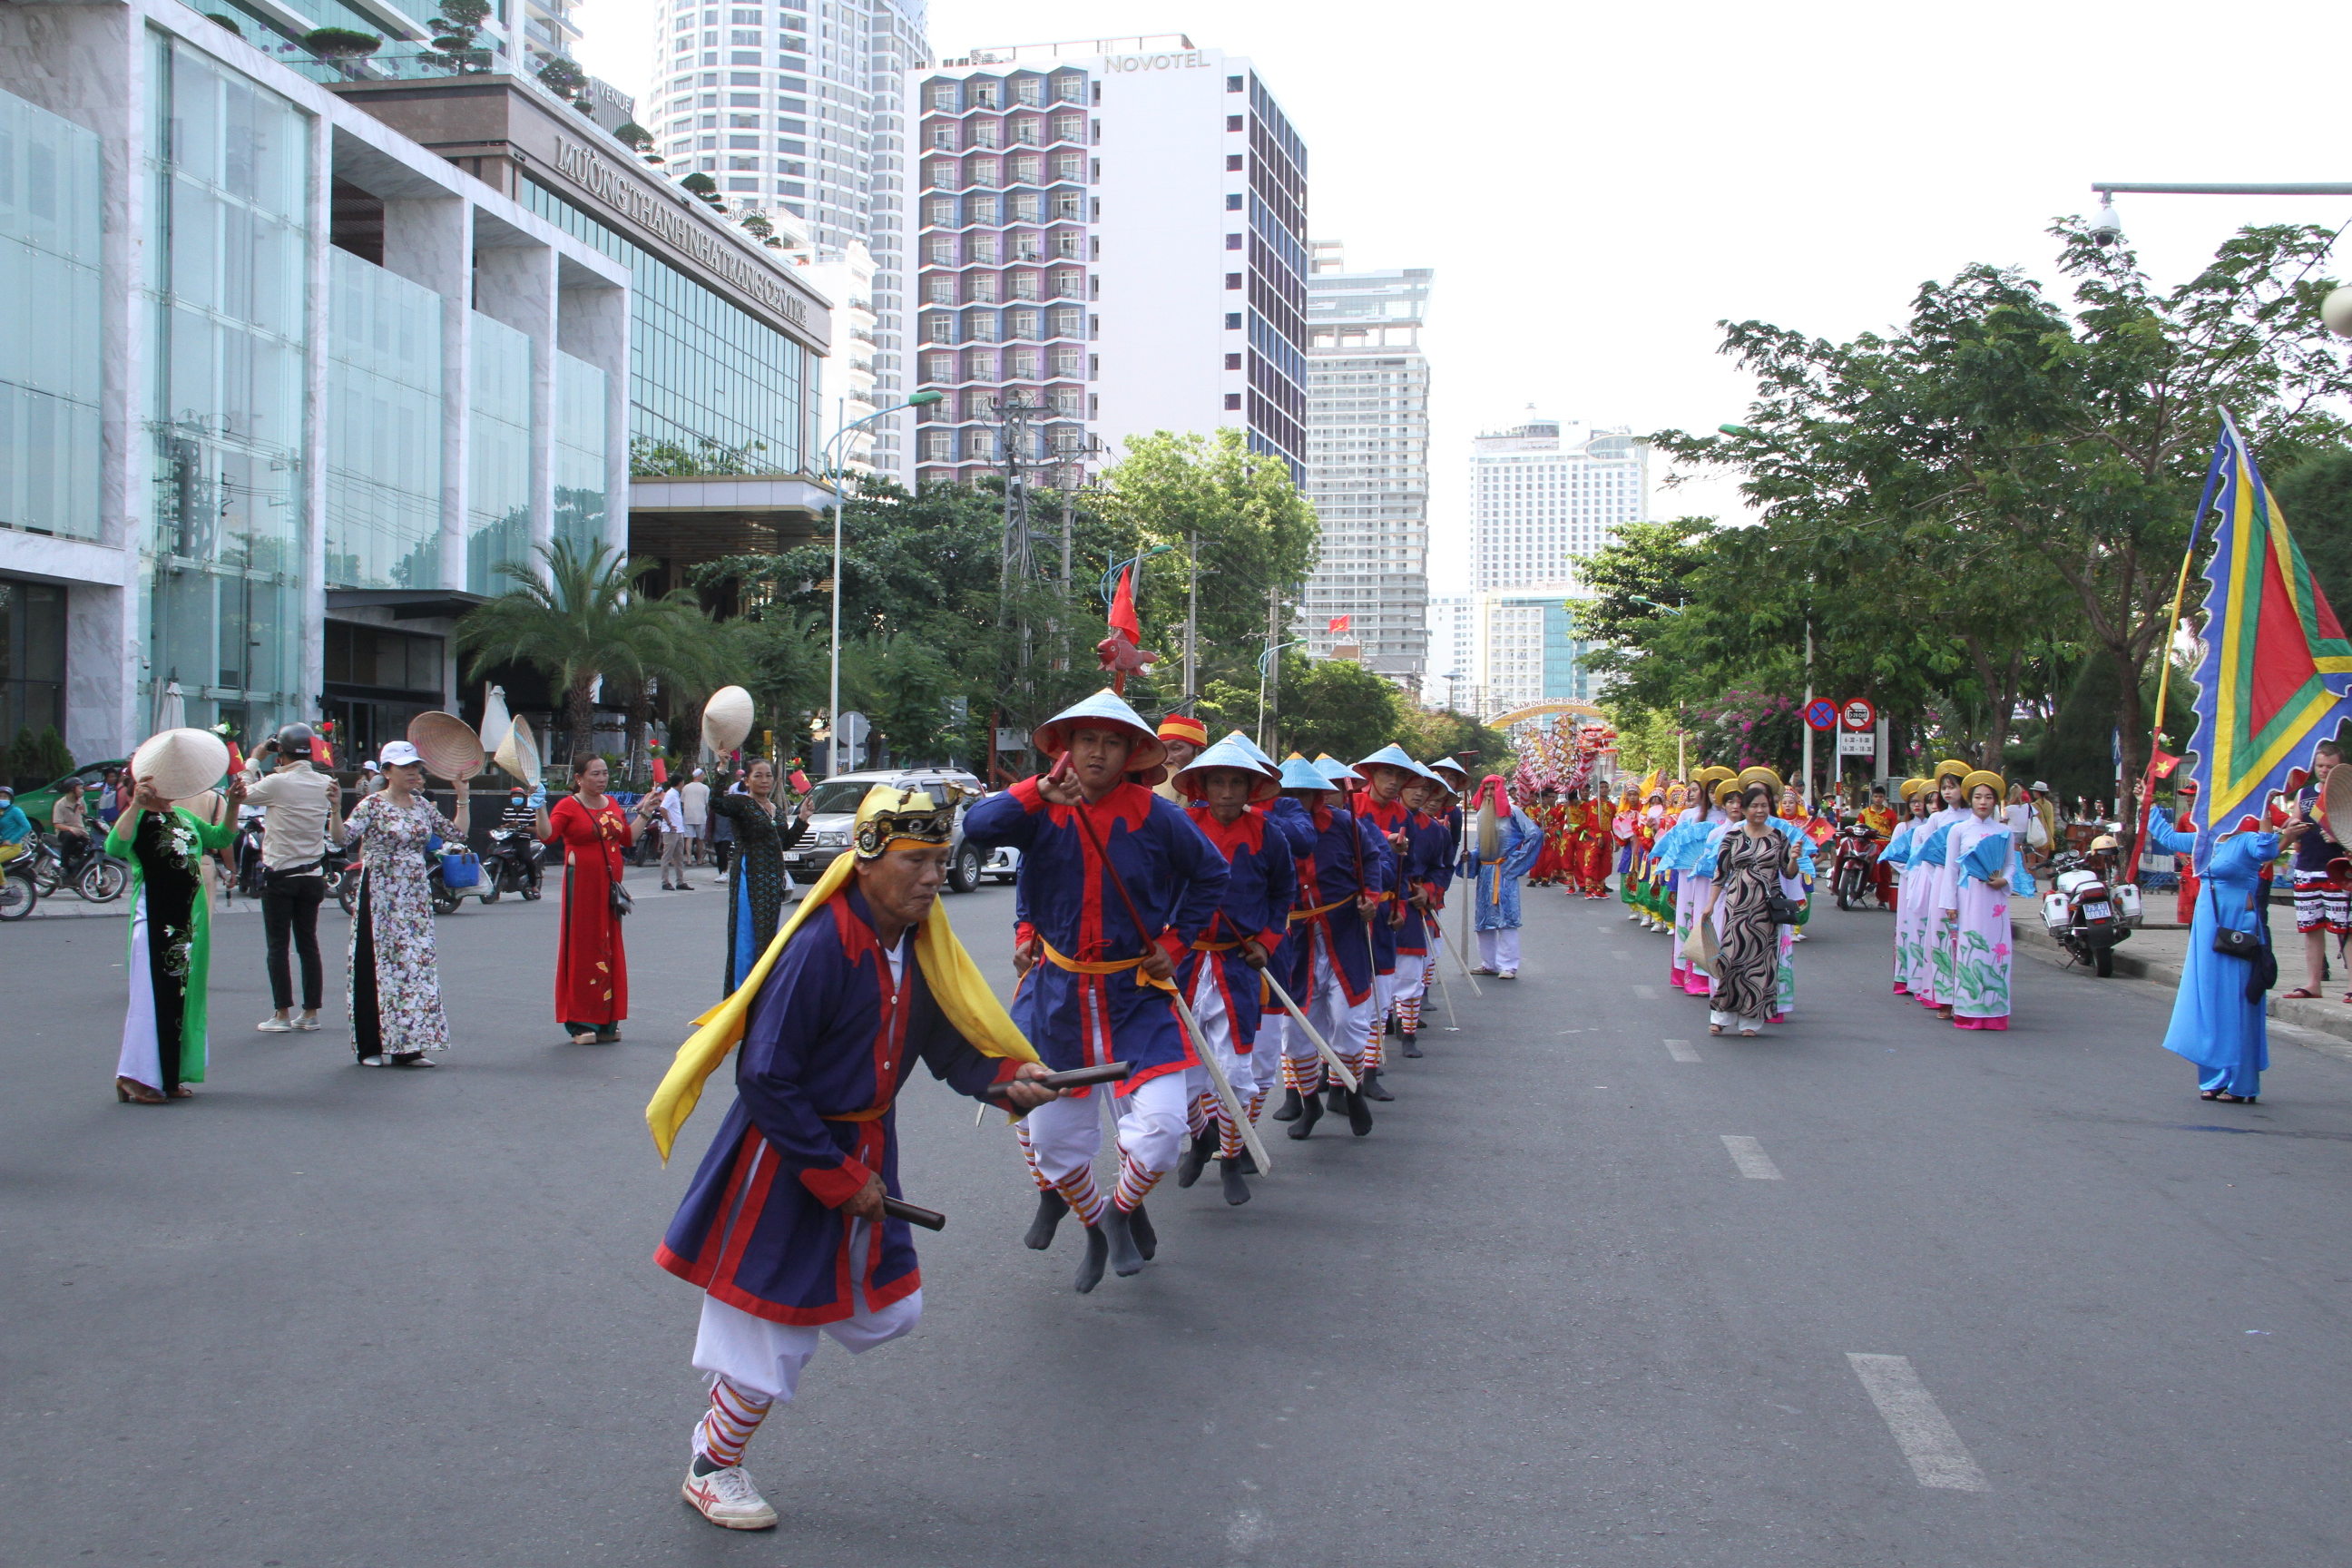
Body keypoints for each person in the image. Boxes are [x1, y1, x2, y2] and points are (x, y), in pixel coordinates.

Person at [644, 785, 1063, 1531]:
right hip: (786, 1161)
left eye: (940, 860)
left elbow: (946, 1049)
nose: (933, 877)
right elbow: (764, 1077)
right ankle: (712, 1466)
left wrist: (1008, 1080)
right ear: (865, 861)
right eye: (916, 860)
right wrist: (837, 1178)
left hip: (864, 1150)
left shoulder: (917, 944)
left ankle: (743, 1387)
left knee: (889, 1309)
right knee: (773, 1329)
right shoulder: (820, 946)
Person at [960, 690, 1229, 1290]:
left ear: (1131, 754)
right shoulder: (1040, 806)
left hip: (1137, 999)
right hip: (1057, 1003)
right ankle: (1092, 1223)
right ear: (1067, 747)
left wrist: (1177, 942)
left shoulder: (1156, 814)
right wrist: (1037, 792)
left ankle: (1118, 1213)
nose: (1098, 754)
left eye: (1111, 743)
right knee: (1050, 1142)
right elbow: (977, 827)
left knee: (1162, 1133)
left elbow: (1212, 873)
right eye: (1087, 740)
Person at [1168, 739, 1293, 1206]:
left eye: (1236, 782)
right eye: (1217, 781)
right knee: (1176, 1072)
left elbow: (1283, 893)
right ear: (1202, 786)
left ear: (1249, 787)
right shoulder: (1181, 826)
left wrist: (1266, 942)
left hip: (1237, 967)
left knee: (1237, 1071)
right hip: (1182, 962)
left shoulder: (1268, 833)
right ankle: (1200, 1136)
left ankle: (1229, 1158)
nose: (1226, 791)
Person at [2141, 779, 2299, 1103]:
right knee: (2209, 996)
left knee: (2238, 998)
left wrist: (2266, 807)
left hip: (2238, 926)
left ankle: (2242, 1082)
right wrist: (2147, 801)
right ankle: (2214, 1076)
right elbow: (2167, 837)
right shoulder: (2205, 840)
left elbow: (2268, 850)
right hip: (2207, 926)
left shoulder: (2246, 840)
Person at [108, 761, 242, 1102]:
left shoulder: (184, 817)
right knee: (148, 1001)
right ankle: (133, 1076)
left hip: (187, 925)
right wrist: (135, 805)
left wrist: (234, 805)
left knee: (180, 1001)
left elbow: (221, 838)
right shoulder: (138, 818)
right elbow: (114, 848)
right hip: (152, 921)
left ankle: (168, 1076)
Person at [1264, 756, 1383, 1139]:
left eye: (1304, 793)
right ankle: (1309, 1103)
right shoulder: (1266, 827)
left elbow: (1371, 859)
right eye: (1288, 793)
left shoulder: (1345, 824)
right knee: (1296, 1029)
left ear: (1318, 795)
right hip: (1293, 941)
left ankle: (1352, 1089)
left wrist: (1370, 897)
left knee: (1349, 1020)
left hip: (1343, 934)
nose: (1295, 801)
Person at [344, 741, 469, 1067]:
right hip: (380, 893)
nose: (413, 773)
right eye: (405, 767)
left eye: (416, 767)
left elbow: (457, 833)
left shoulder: (422, 805)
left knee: (414, 966)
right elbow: (342, 838)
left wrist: (462, 796)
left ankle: (409, 1047)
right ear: (387, 772)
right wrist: (331, 808)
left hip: (414, 895)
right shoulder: (372, 805)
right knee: (374, 964)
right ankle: (370, 1046)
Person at [535, 754, 659, 1045]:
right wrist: (539, 806)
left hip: (609, 889)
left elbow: (627, 838)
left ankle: (606, 1020)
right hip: (582, 889)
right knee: (583, 949)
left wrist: (645, 812)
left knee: (608, 950)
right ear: (579, 778)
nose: (602, 778)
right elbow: (548, 836)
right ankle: (581, 1022)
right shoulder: (568, 806)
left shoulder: (612, 803)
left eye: (605, 773)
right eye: (595, 774)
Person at [241, 722, 345, 1033]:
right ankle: (310, 1013)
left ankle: (282, 1014)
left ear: (281, 752)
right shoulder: (325, 782)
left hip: (281, 875)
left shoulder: (276, 783)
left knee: (278, 946)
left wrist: (254, 759)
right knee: (308, 944)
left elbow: (243, 794)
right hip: (313, 875)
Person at [1699, 781, 1802, 1036]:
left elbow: (1789, 873)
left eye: (1764, 806)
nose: (1760, 810)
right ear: (1744, 809)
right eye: (1755, 806)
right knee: (1731, 959)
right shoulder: (1732, 837)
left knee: (1760, 963)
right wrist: (1710, 904)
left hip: (1766, 910)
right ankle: (1721, 1017)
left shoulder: (1778, 837)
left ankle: (1750, 1021)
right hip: (1737, 905)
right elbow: (1721, 873)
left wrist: (1794, 859)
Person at [712, 760, 816, 995]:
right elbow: (716, 803)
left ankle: (764, 992)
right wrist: (722, 770)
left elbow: (785, 843)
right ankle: (742, 994)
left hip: (771, 879)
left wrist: (803, 819)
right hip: (749, 876)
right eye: (758, 776)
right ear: (747, 780)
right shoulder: (740, 803)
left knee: (767, 937)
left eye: (768, 775)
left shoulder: (775, 809)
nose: (764, 780)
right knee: (747, 935)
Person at [1944, 771, 2017, 1030]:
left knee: (1996, 950)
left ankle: (1995, 1013)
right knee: (1971, 950)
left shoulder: (2005, 831)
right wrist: (1950, 903)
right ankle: (1968, 1011)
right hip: (1969, 898)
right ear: (1970, 800)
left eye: (1988, 797)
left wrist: (2005, 880)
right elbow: (1951, 869)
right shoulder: (1959, 830)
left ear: (1995, 801)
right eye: (1978, 797)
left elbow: (2011, 864)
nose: (1983, 802)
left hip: (1995, 901)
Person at [2283, 740, 2347, 1003]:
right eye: (2320, 765)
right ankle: (2313, 983)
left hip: (2339, 870)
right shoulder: (2305, 794)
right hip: (2307, 868)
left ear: (2339, 768)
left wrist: (2341, 838)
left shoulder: (2347, 794)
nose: (2323, 770)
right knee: (2311, 928)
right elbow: (2294, 821)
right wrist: (2292, 827)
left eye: (2330, 767)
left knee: (2345, 929)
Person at [1461, 773, 1541, 978]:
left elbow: (1534, 835)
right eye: (1485, 789)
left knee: (1506, 919)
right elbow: (1479, 846)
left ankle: (1508, 966)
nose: (1489, 793)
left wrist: (1515, 861)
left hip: (1504, 872)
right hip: (1485, 873)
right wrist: (1471, 856)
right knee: (1484, 919)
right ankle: (1489, 963)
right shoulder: (1482, 814)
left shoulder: (1513, 812)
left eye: (1492, 789)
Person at [1152, 712, 1208, 805]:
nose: (1166, 760)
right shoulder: (1147, 794)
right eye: (1163, 750)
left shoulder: (1215, 800)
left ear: (1200, 752)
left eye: (1176, 749)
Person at [2167, 779, 2201, 926]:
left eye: (2192, 796)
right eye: (2187, 796)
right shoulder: (2186, 818)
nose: (2188, 799)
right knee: (2190, 916)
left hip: (2206, 872)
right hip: (2190, 872)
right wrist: (2181, 855)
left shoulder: (2213, 817)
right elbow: (2177, 840)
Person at [49, 779, 92, 874]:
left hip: (80, 831)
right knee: (70, 836)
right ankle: (63, 866)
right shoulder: (60, 804)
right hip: (64, 832)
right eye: (80, 788)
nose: (82, 791)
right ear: (72, 789)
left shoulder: (81, 802)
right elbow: (57, 824)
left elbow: (85, 816)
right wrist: (71, 829)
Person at [659, 777, 691, 892]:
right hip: (671, 831)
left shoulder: (676, 794)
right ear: (680, 783)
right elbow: (663, 808)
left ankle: (680, 881)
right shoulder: (671, 794)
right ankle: (665, 881)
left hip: (678, 830)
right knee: (667, 857)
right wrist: (669, 823)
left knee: (679, 857)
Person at [680, 767, 711, 868]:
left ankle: (689, 859)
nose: (704, 777)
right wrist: (708, 815)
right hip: (700, 816)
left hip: (688, 816)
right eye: (703, 775)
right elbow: (707, 804)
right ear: (699, 776)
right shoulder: (705, 788)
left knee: (689, 838)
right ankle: (699, 859)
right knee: (700, 839)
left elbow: (682, 803)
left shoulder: (686, 788)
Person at [0, 784, 30, 873]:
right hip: (3, 844)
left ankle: (2, 881)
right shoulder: (1, 812)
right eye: (0, 796)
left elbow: (27, 826)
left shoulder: (15, 811)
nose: (2, 799)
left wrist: (12, 840)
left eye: (5, 797)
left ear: (10, 799)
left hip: (13, 846)